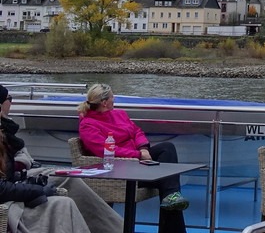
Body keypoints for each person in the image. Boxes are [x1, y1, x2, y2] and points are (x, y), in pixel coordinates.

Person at [0, 85, 123, 233]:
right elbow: (4, 186)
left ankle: (117, 229)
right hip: (8, 197)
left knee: (69, 179)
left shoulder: (5, 132)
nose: (10, 103)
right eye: (9, 99)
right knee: (63, 205)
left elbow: (9, 171)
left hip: (18, 180)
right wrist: (37, 190)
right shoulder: (89, 123)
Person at [77, 83, 188, 233]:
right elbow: (106, 151)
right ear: (104, 102)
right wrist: (137, 155)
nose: (114, 99)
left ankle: (171, 195)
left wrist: (143, 148)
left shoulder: (119, 114)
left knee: (167, 149)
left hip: (139, 161)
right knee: (167, 182)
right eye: (112, 96)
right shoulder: (88, 125)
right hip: (120, 170)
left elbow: (137, 131)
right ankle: (171, 197)